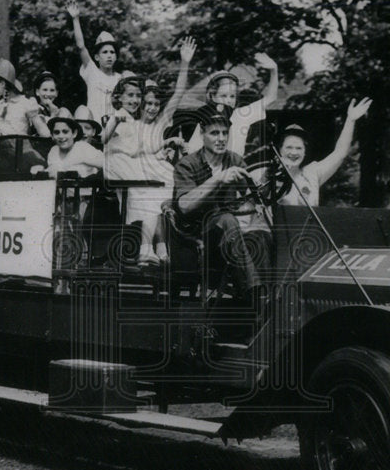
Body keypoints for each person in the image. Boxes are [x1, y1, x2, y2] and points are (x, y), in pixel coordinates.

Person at [105, 38, 196, 264]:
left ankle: (159, 247)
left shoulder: (158, 125)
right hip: (130, 172)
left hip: (149, 172)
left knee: (163, 182)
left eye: (156, 104)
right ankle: (152, 247)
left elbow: (178, 94)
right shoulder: (129, 121)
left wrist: (185, 63)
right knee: (152, 189)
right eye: (148, 103)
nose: (153, 108)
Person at [173, 107, 269, 306]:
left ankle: (264, 299)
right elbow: (184, 206)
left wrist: (268, 180)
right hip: (197, 233)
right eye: (214, 133)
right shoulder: (187, 164)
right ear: (202, 134)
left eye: (225, 133)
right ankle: (254, 291)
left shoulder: (234, 159)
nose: (221, 138)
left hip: (230, 235)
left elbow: (253, 194)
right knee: (227, 219)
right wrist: (218, 179)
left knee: (260, 236)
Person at [276, 97, 373, 207]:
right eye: (289, 147)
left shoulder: (312, 173)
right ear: (280, 150)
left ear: (305, 152)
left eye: (299, 148)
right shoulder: (268, 177)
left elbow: (340, 153)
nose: (294, 153)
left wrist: (350, 120)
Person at [185, 53, 279, 159]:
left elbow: (271, 98)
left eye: (232, 96)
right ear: (212, 96)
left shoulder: (241, 115)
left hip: (235, 171)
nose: (228, 101)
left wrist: (274, 71)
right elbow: (192, 153)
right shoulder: (204, 120)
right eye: (223, 95)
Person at [65, 0, 131, 122]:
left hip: (113, 131)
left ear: (116, 56)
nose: (109, 56)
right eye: (104, 52)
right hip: (92, 129)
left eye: (112, 52)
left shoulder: (120, 78)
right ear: (96, 57)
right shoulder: (92, 72)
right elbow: (81, 46)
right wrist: (75, 19)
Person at [34, 116, 104, 179]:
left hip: (83, 192)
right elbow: (54, 170)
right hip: (60, 191)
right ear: (52, 136)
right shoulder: (54, 150)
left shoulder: (83, 147)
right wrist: (42, 170)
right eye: (56, 132)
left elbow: (106, 164)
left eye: (65, 132)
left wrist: (84, 160)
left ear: (74, 133)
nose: (61, 136)